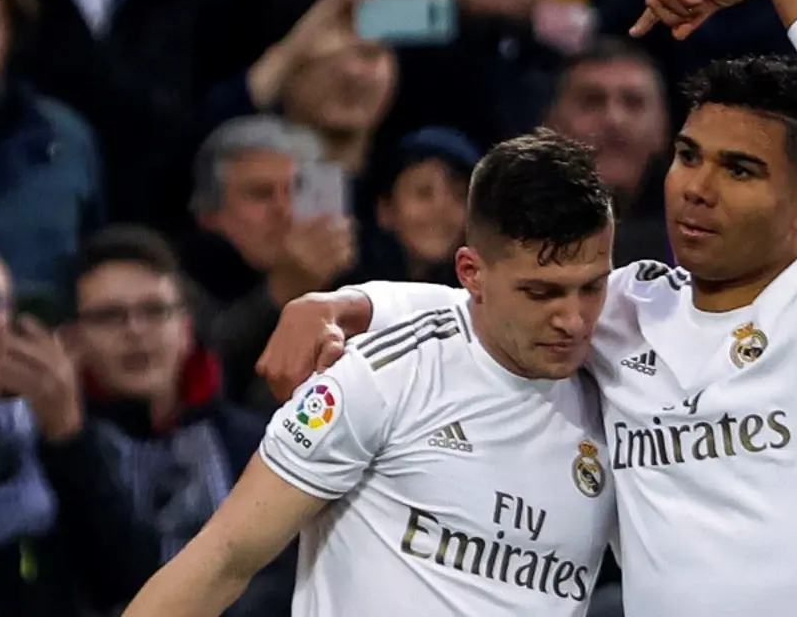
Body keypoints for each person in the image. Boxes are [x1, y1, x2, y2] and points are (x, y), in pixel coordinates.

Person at [258, 0, 797, 616]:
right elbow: (494, 297)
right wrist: (346, 305)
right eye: (690, 155)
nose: (697, 187)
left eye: (739, 170)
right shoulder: (628, 307)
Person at [122, 132, 618, 615]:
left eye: (592, 288)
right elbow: (222, 559)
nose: (573, 320)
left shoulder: (621, 388)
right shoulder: (381, 376)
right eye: (541, 293)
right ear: (471, 273)